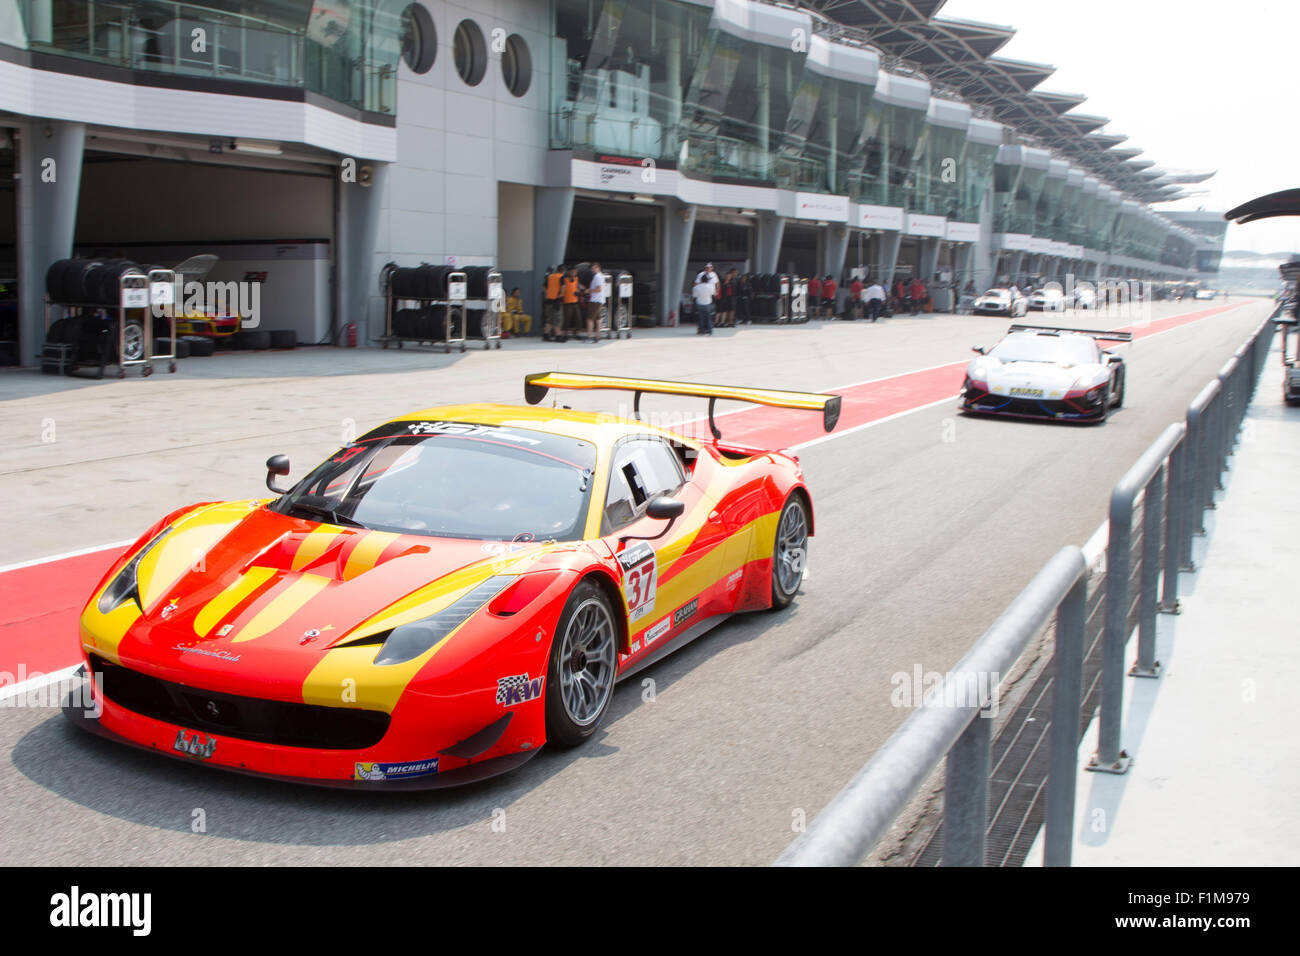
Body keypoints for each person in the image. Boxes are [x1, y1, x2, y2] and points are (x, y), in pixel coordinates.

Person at [584, 262, 606, 343]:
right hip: (600, 299)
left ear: (598, 267)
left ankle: (590, 336)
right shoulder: (601, 276)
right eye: (592, 268)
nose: (592, 270)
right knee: (598, 318)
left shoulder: (597, 277)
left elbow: (598, 289)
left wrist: (588, 290)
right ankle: (598, 335)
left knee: (590, 318)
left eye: (593, 268)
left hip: (595, 300)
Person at [542, 265, 564, 341]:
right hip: (556, 302)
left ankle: (546, 335)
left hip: (549, 301)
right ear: (563, 271)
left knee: (549, 319)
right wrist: (560, 295)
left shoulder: (550, 277)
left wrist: (547, 294)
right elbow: (563, 288)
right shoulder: (561, 277)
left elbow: (544, 286)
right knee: (557, 319)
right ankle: (558, 336)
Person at [561, 266, 581, 342]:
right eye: (573, 272)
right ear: (569, 272)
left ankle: (577, 334)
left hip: (575, 302)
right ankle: (565, 334)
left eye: (575, 272)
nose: (574, 273)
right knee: (567, 319)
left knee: (578, 319)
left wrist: (578, 291)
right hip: (567, 302)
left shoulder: (577, 279)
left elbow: (578, 287)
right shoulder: (564, 280)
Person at [692, 271, 715, 335]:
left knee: (701, 318)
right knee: (709, 318)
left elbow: (694, 296)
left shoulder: (696, 287)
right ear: (707, 280)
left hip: (700, 303)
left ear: (701, 280)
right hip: (708, 303)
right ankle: (710, 330)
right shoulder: (710, 286)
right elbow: (712, 294)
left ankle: (701, 331)